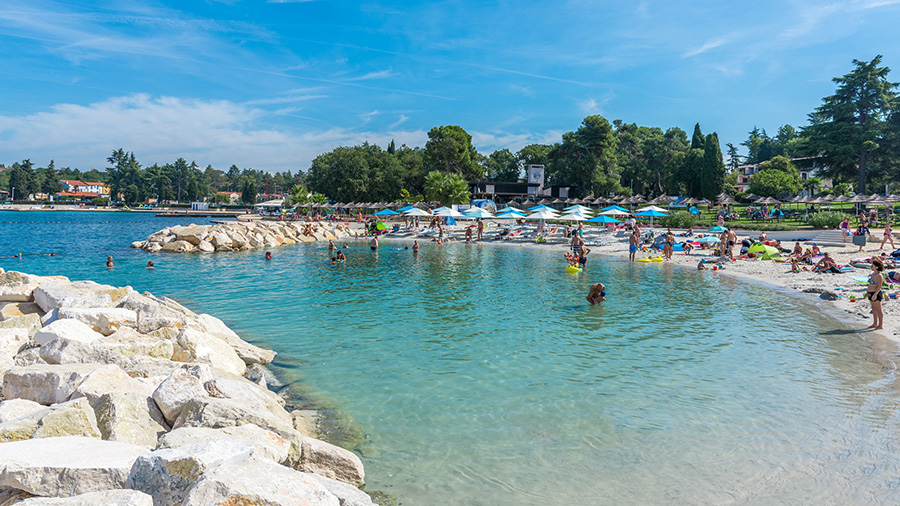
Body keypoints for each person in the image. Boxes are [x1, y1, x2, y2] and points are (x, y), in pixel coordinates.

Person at [866, 258, 885, 330]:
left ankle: (880, 325)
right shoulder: (872, 274)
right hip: (871, 293)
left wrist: (875, 294)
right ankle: (874, 323)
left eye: (873, 266)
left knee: (878, 310)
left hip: (875, 293)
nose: (871, 267)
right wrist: (867, 293)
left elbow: (879, 286)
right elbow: (870, 284)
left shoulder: (879, 275)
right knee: (873, 309)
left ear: (877, 267)